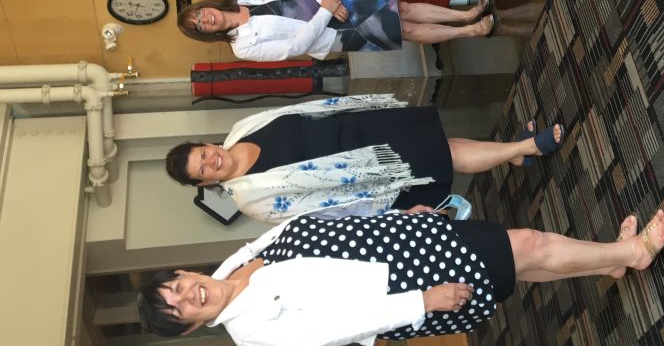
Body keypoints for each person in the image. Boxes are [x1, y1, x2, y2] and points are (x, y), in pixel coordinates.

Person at [136, 206, 664, 346]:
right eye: (180, 309)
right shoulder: (251, 333)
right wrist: (422, 302)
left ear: (182, 273)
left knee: (517, 265)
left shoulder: (240, 260)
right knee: (525, 244)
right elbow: (337, 326)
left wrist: (398, 217)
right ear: (192, 327)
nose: (188, 295)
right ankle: (632, 253)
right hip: (406, 287)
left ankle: (606, 264)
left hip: (403, 241)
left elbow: (328, 228)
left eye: (176, 287)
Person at [165, 96, 565, 223]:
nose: (212, 161)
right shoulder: (249, 198)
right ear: (205, 183)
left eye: (204, 153)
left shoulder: (241, 129)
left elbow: (302, 113)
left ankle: (511, 154)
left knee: (442, 144)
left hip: (357, 127)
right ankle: (526, 148)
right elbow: (317, 211)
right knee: (445, 156)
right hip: (364, 169)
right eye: (204, 170)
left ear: (206, 144)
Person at [177, 0, 500, 59]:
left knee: (404, 8)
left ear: (205, 6)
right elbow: (293, 48)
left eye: (200, 14)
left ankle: (467, 14)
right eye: (200, 26)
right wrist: (325, 12)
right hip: (331, 32)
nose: (206, 20)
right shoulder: (242, 47)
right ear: (205, 33)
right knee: (408, 30)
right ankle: (470, 31)